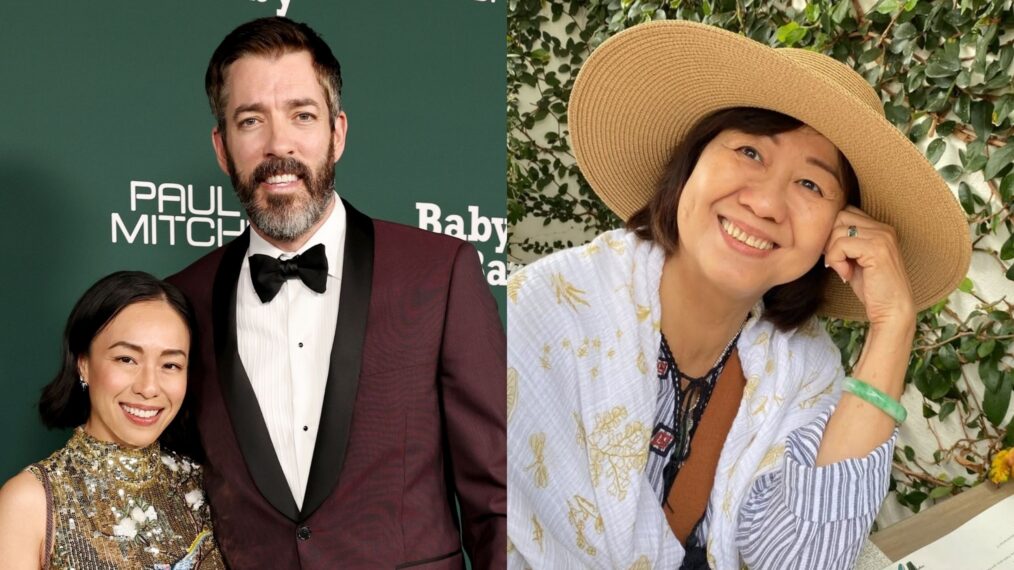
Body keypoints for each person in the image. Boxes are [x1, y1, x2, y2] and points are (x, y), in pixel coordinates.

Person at [506, 21, 970, 570]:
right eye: (750, 152)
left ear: (838, 230)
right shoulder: (539, 313)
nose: (768, 203)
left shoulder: (801, 371)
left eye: (811, 185)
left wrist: (893, 324)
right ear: (689, 165)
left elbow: (804, 557)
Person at [166, 16, 506, 569]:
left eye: (302, 115)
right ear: (223, 147)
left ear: (337, 133)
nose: (280, 145)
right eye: (251, 120)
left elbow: (499, 498)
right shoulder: (181, 301)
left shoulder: (439, 274)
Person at [0, 271, 225, 569]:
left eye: (170, 364)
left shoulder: (209, 485)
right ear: (83, 364)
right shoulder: (30, 501)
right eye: (126, 359)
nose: (148, 387)